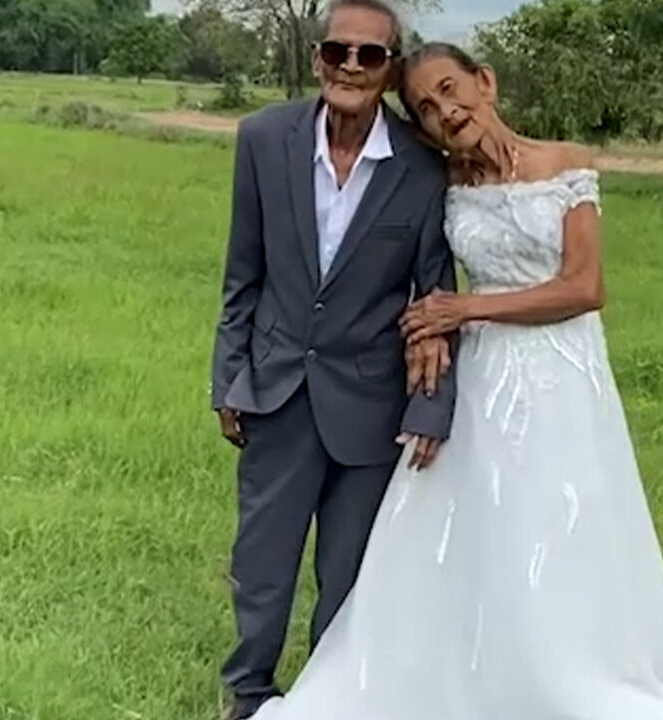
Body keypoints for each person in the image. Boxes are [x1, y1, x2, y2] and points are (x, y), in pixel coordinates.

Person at [247, 42, 663, 720]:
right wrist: (429, 335)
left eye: (452, 89)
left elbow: (584, 287)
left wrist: (465, 308)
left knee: (561, 518)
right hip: (484, 379)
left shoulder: (566, 166)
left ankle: (569, 666)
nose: (446, 110)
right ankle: (450, 667)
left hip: (565, 372)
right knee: (461, 525)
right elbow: (417, 273)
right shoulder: (440, 183)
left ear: (486, 82)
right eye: (427, 107)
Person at [209, 2, 460, 718]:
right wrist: (229, 375)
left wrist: (430, 406)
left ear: (390, 70)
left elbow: (435, 294)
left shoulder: (421, 166)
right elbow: (242, 273)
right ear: (318, 58)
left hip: (370, 404)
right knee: (262, 562)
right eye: (337, 51)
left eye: (370, 56)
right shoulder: (262, 139)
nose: (351, 66)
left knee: (347, 574)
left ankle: (327, 697)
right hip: (276, 389)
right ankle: (249, 694)